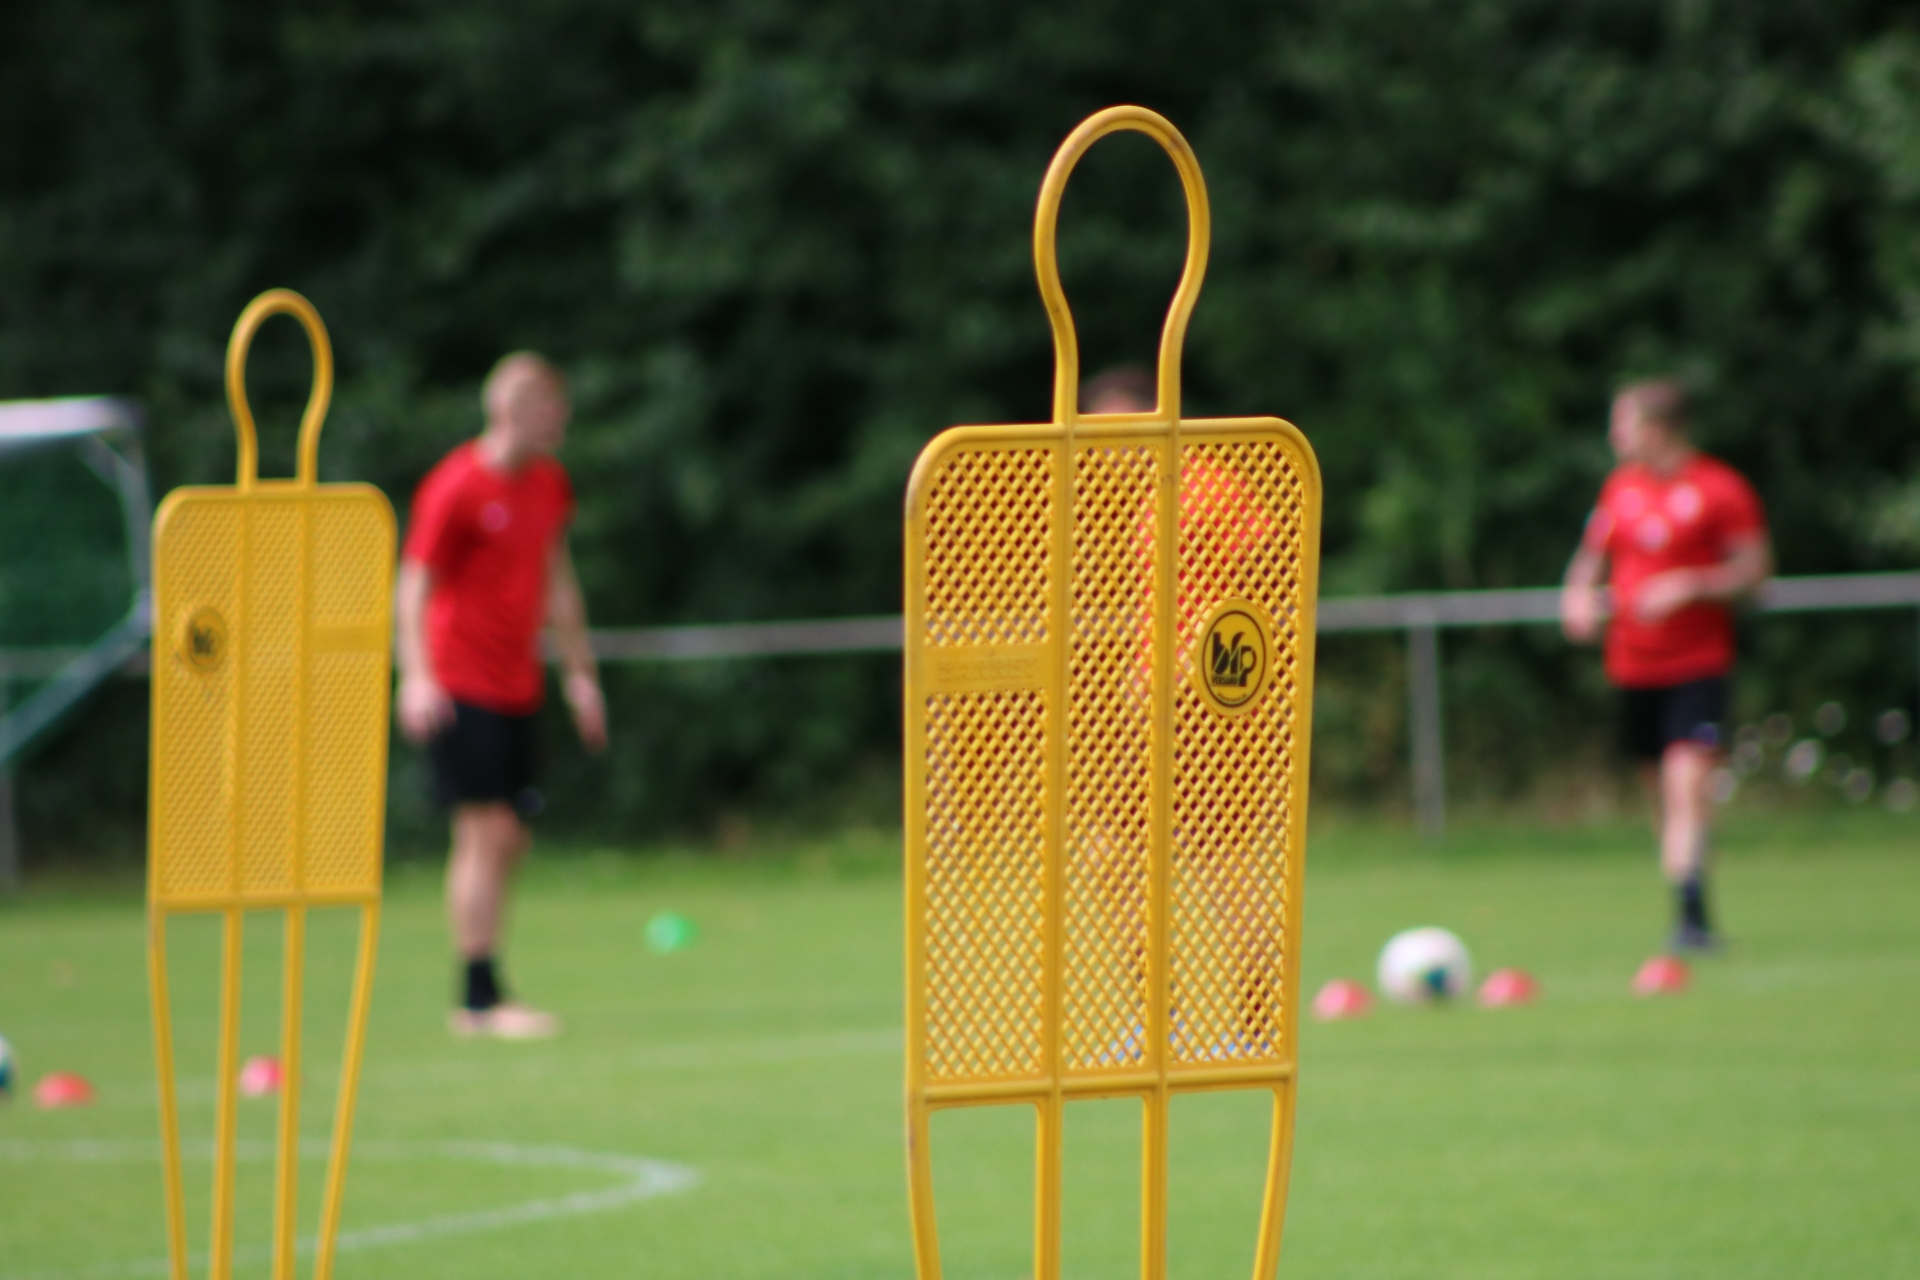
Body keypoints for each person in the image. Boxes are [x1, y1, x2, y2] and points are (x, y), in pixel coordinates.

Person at [396, 352, 607, 1038]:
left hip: (519, 683)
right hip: (461, 680)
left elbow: (558, 577)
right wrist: (417, 676)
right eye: (549, 406)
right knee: (484, 832)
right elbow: (414, 584)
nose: (560, 419)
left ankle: (485, 984)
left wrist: (579, 674)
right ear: (512, 410)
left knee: (511, 836)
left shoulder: (548, 484)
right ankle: (478, 1000)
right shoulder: (456, 485)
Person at [1561, 378, 1771, 951]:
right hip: (1633, 666)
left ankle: (1692, 919)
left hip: (1697, 664)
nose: (1615, 435)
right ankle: (1686, 898)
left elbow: (1754, 572)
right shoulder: (1621, 488)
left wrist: (1692, 585)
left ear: (1659, 429)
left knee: (1688, 783)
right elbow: (1590, 560)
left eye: (1623, 423)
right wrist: (1578, 598)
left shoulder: (1720, 489)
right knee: (1661, 793)